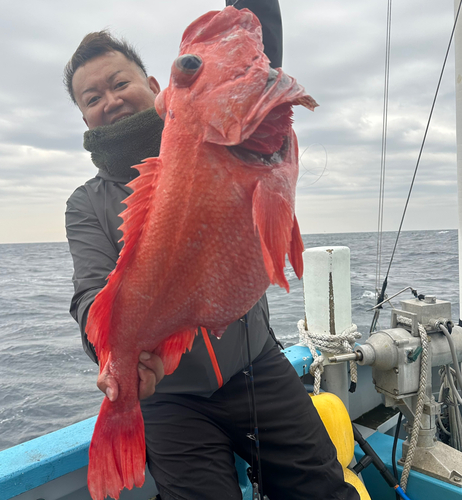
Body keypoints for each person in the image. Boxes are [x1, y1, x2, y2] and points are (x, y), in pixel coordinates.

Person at [65, 1, 359, 499]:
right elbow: (91, 295)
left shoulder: (229, 119)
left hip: (257, 363)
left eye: (120, 83)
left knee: (325, 489)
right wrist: (122, 360)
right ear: (84, 117)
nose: (110, 100)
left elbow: (252, 39)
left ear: (157, 88)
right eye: (92, 97)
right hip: (170, 397)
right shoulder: (86, 204)